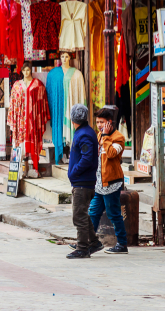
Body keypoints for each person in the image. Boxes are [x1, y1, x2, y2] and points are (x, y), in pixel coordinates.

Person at [89, 107, 128, 255]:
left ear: (109, 122)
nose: (99, 125)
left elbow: (111, 154)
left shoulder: (118, 137)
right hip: (100, 182)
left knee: (114, 214)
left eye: (102, 122)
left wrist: (105, 137)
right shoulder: (100, 135)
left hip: (112, 182)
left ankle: (122, 244)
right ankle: (88, 242)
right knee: (93, 212)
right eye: (97, 122)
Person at [65, 104, 98, 259]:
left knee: (79, 216)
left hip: (83, 182)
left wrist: (74, 172)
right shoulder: (84, 131)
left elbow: (87, 158)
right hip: (84, 181)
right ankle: (93, 242)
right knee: (83, 214)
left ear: (73, 119)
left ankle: (83, 248)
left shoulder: (84, 134)